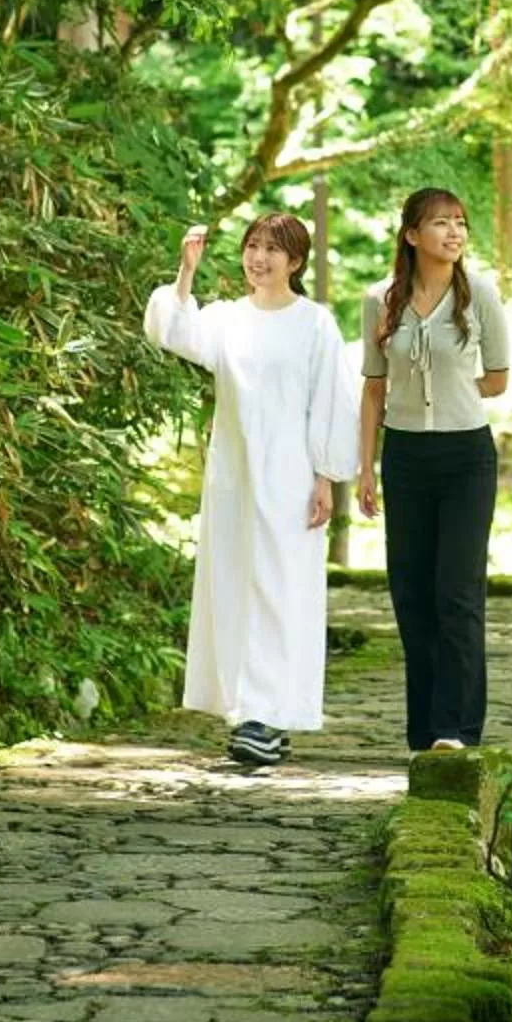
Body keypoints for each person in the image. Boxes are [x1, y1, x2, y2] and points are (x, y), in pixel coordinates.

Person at [143, 213, 353, 768]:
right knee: (237, 585)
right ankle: (254, 713)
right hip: (234, 474)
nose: (259, 258)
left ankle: (267, 714)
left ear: (297, 262)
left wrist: (326, 477)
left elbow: (330, 401)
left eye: (273, 250)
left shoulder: (315, 324)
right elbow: (173, 332)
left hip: (292, 474)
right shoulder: (228, 320)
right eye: (253, 247)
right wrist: (185, 273)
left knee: (281, 592)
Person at [356, 187, 509, 753]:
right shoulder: (380, 299)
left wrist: (446, 389)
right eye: (441, 223)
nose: (454, 233)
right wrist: (365, 468)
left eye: (461, 223)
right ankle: (424, 730)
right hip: (405, 456)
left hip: (466, 455)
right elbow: (373, 388)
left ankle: (457, 729)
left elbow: (498, 379)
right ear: (411, 234)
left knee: (457, 593)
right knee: (411, 593)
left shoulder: (481, 295)